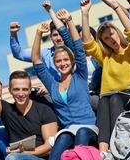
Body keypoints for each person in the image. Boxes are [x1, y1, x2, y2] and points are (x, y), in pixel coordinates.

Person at [81, 0, 130, 156]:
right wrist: (85, 14)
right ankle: (103, 151)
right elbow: (88, 44)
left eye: (112, 34)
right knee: (104, 100)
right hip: (110, 98)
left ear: (118, 32)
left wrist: (116, 6)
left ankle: (118, 143)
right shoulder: (106, 57)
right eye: (106, 38)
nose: (111, 39)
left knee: (113, 98)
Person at [0, 51, 58, 160]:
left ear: (29, 91)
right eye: (16, 89)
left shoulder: (44, 110)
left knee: (12, 158)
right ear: (10, 91)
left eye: (25, 89)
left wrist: (25, 153)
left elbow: (49, 147)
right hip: (17, 155)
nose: (21, 93)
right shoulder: (7, 110)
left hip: (39, 157)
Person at [31, 9, 98, 160]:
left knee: (80, 134)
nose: (63, 63)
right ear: (55, 64)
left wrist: (69, 21)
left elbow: (79, 48)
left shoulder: (80, 75)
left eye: (66, 60)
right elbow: (36, 60)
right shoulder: (53, 85)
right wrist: (38, 34)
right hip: (67, 130)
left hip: (88, 128)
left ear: (72, 61)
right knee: (63, 138)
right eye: (59, 61)